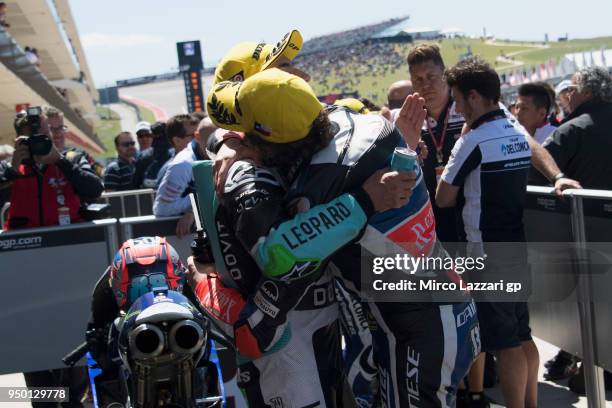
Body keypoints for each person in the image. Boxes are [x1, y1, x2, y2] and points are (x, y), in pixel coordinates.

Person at [208, 68, 479, 407]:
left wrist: (363, 201)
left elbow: (280, 255)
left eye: (248, 132)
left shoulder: (319, 187)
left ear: (271, 141)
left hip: (425, 327)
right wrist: (229, 142)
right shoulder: (352, 118)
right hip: (436, 308)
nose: (243, 136)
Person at [436, 57, 538, 408]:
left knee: (505, 343)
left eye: (459, 100)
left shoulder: (474, 140)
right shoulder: (516, 132)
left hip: (486, 257)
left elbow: (444, 198)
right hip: (516, 248)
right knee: (523, 336)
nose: (458, 108)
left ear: (475, 97)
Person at [1, 110, 103, 230]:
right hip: (24, 241)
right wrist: (12, 172)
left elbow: (95, 190)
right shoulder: (8, 166)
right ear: (19, 141)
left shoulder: (72, 158)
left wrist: (61, 161)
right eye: (32, 139)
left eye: (44, 135)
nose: (39, 143)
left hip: (68, 236)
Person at [542, 66, 612, 190]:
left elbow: (536, 172)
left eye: (571, 89)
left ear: (587, 93)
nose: (568, 95)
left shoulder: (571, 129)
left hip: (585, 206)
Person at [153, 117, 216, 237]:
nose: (215, 146)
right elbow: (161, 209)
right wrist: (195, 208)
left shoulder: (224, 153)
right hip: (186, 238)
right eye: (210, 141)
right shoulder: (182, 164)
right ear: (197, 137)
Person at [44, 106, 105, 179]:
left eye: (60, 128)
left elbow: (98, 179)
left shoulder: (78, 156)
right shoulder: (36, 160)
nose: (58, 134)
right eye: (51, 129)